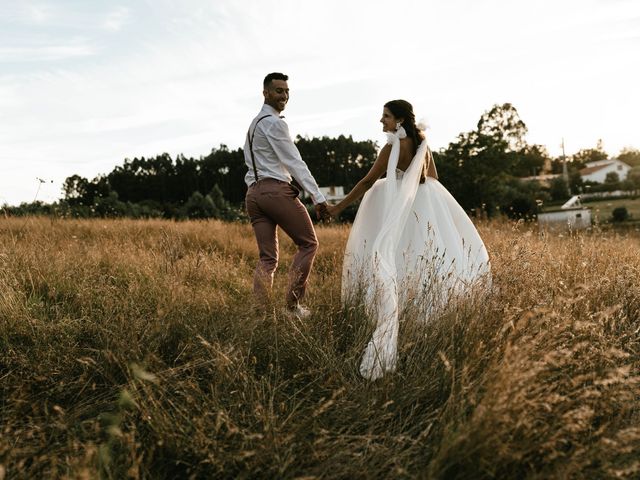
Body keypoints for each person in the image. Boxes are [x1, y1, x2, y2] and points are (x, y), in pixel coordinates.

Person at [327, 100, 491, 380]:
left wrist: (337, 208)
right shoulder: (422, 143)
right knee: (422, 254)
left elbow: (367, 182)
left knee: (393, 255)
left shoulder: (391, 147)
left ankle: (395, 315)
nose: (382, 122)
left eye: (386, 117)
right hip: (424, 202)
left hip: (393, 204)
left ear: (400, 120)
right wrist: (413, 185)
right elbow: (433, 176)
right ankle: (427, 314)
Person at [244, 72, 330, 318]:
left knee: (267, 259)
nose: (284, 95)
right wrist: (318, 197)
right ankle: (292, 308)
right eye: (279, 90)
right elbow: (294, 161)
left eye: (287, 91)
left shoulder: (253, 125)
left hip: (254, 195)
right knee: (309, 243)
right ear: (265, 93)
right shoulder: (275, 123)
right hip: (274, 192)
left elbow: (260, 163)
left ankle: (260, 313)